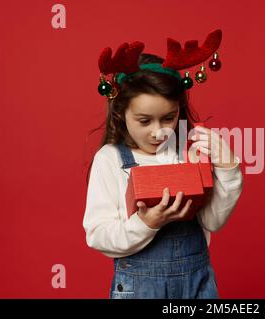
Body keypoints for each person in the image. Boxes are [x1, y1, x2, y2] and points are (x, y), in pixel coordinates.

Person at [83, 30, 243, 299]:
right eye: (145, 121)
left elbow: (213, 221)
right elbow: (98, 235)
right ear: (121, 113)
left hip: (197, 285)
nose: (158, 132)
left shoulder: (187, 152)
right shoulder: (109, 159)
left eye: (168, 118)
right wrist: (146, 223)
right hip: (140, 288)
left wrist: (228, 169)